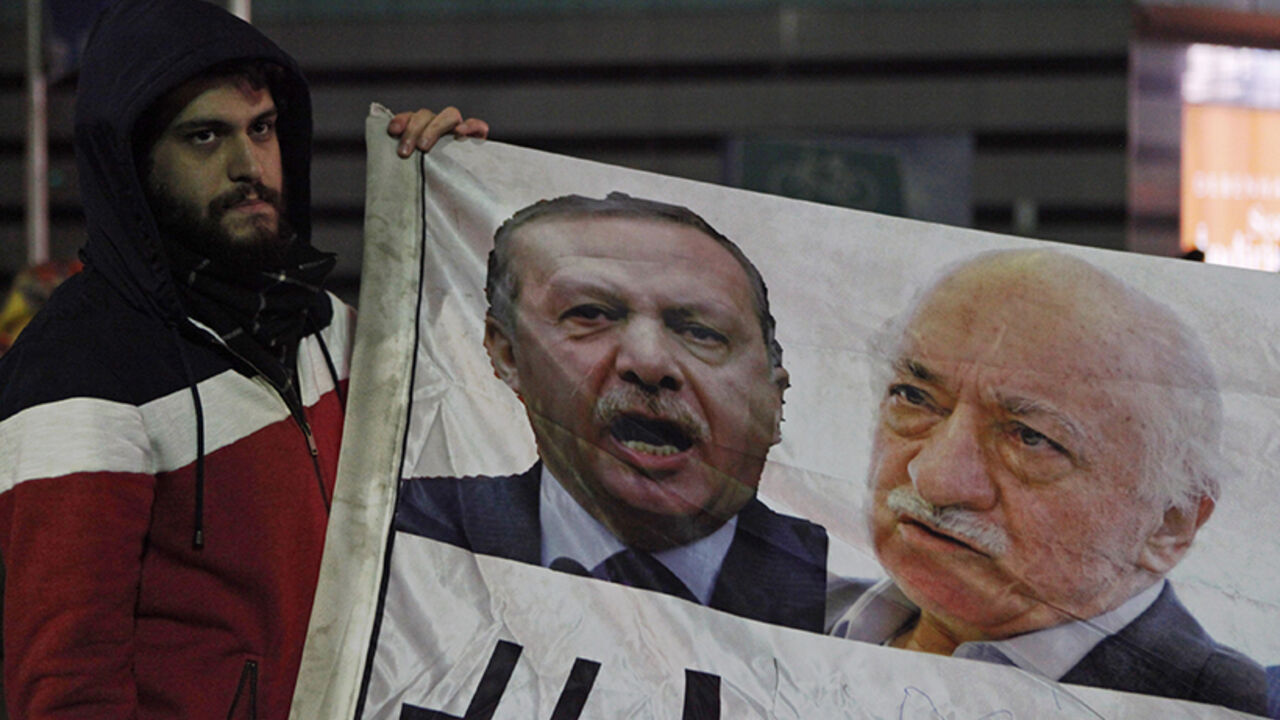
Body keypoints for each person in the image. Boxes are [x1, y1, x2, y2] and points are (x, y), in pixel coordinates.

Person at [0, 0, 486, 717]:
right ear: (133, 163)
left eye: (261, 129)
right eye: (205, 137)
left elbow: (488, 430)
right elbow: (67, 690)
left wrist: (462, 207)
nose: (247, 166)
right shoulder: (75, 371)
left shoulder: (321, 322)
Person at [829, 249, 1268, 714]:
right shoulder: (775, 606)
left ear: (1169, 525)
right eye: (914, 397)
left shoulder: (1231, 706)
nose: (934, 479)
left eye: (1031, 438)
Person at [396, 193, 828, 631]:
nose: (649, 362)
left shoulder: (866, 599)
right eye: (591, 314)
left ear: (775, 403)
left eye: (702, 332)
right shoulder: (400, 528)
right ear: (507, 353)